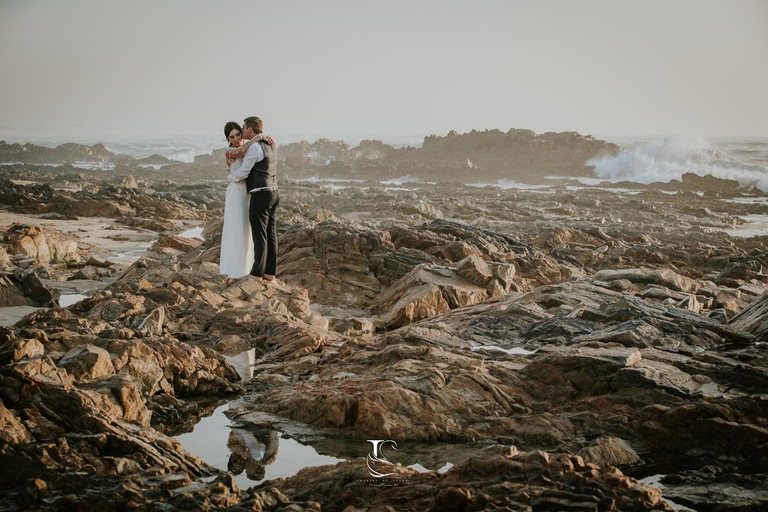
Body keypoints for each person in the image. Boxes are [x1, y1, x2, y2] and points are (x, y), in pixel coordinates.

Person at [227, 116, 280, 282]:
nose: (242, 132)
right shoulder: (271, 145)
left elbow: (244, 172)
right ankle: (269, 273)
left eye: (243, 128)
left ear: (250, 128)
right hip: (274, 192)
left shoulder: (254, 147)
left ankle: (256, 274)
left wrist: (231, 177)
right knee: (271, 234)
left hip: (260, 193)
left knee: (260, 235)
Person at [219, 121, 254, 278]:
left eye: (238, 134)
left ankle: (246, 267)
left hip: (246, 192)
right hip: (235, 193)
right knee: (235, 229)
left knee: (246, 229)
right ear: (228, 138)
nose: (236, 139)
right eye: (231, 137)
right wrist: (258, 137)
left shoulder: (248, 147)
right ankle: (233, 270)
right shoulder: (230, 151)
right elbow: (243, 150)